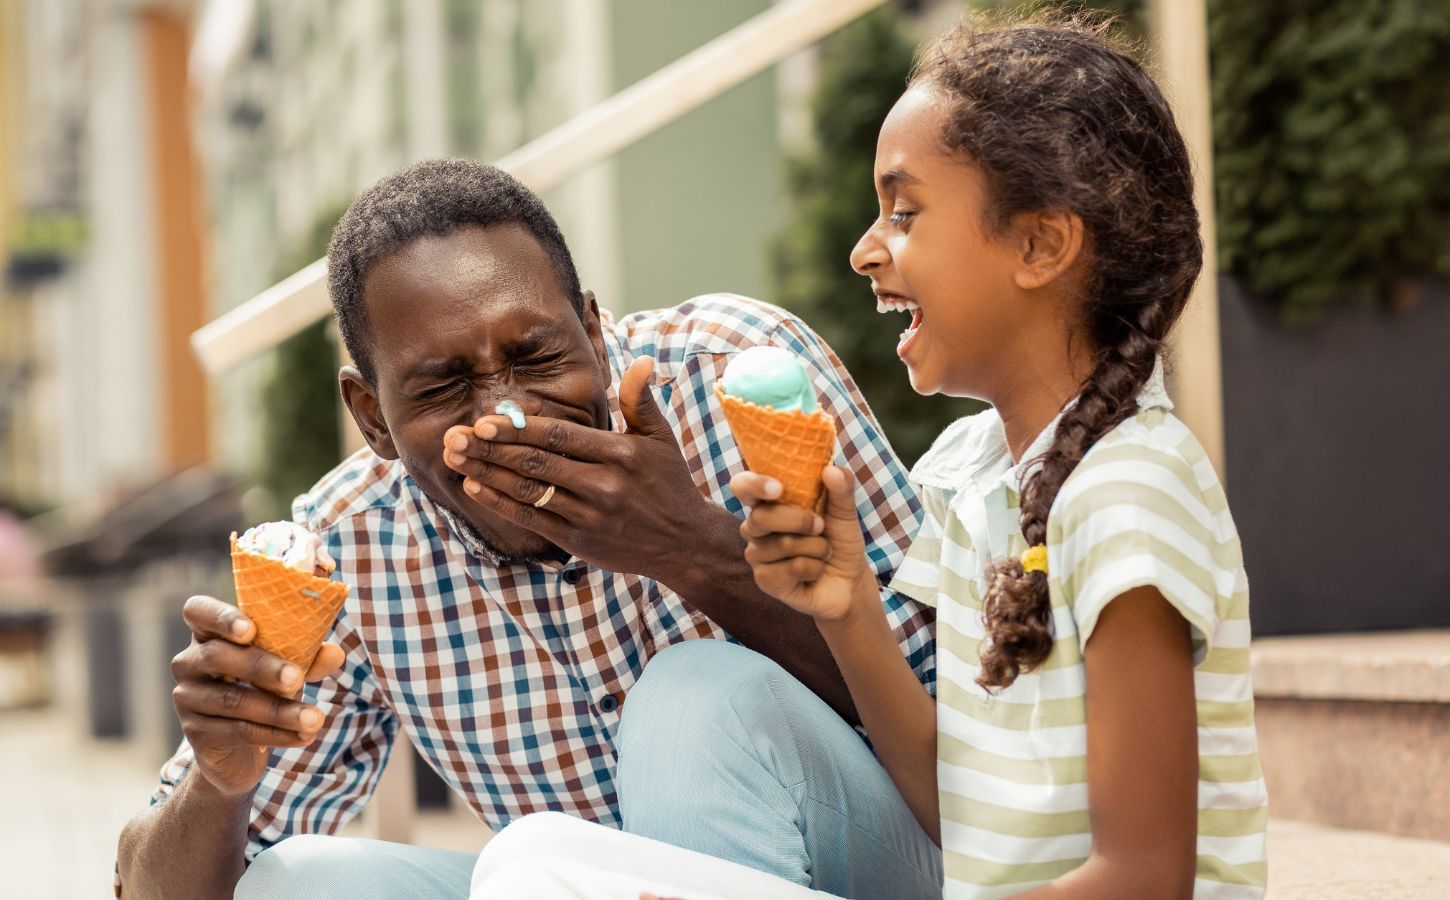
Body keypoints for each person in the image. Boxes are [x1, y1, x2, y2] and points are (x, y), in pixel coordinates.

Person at [495, 14, 1265, 900]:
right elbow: (959, 810)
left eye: (905, 212)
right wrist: (847, 603)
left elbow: (1143, 879)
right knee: (531, 859)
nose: (866, 249)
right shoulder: (968, 473)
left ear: (1040, 244)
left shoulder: (1131, 492)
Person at [114, 159, 935, 900]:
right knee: (298, 887)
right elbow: (150, 889)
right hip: (563, 881)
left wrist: (691, 550)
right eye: (441, 386)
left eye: (537, 356)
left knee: (693, 697)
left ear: (591, 327)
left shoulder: (736, 375)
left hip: (880, 859)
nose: (502, 415)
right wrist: (218, 784)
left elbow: (961, 718)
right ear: (371, 418)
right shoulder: (350, 549)